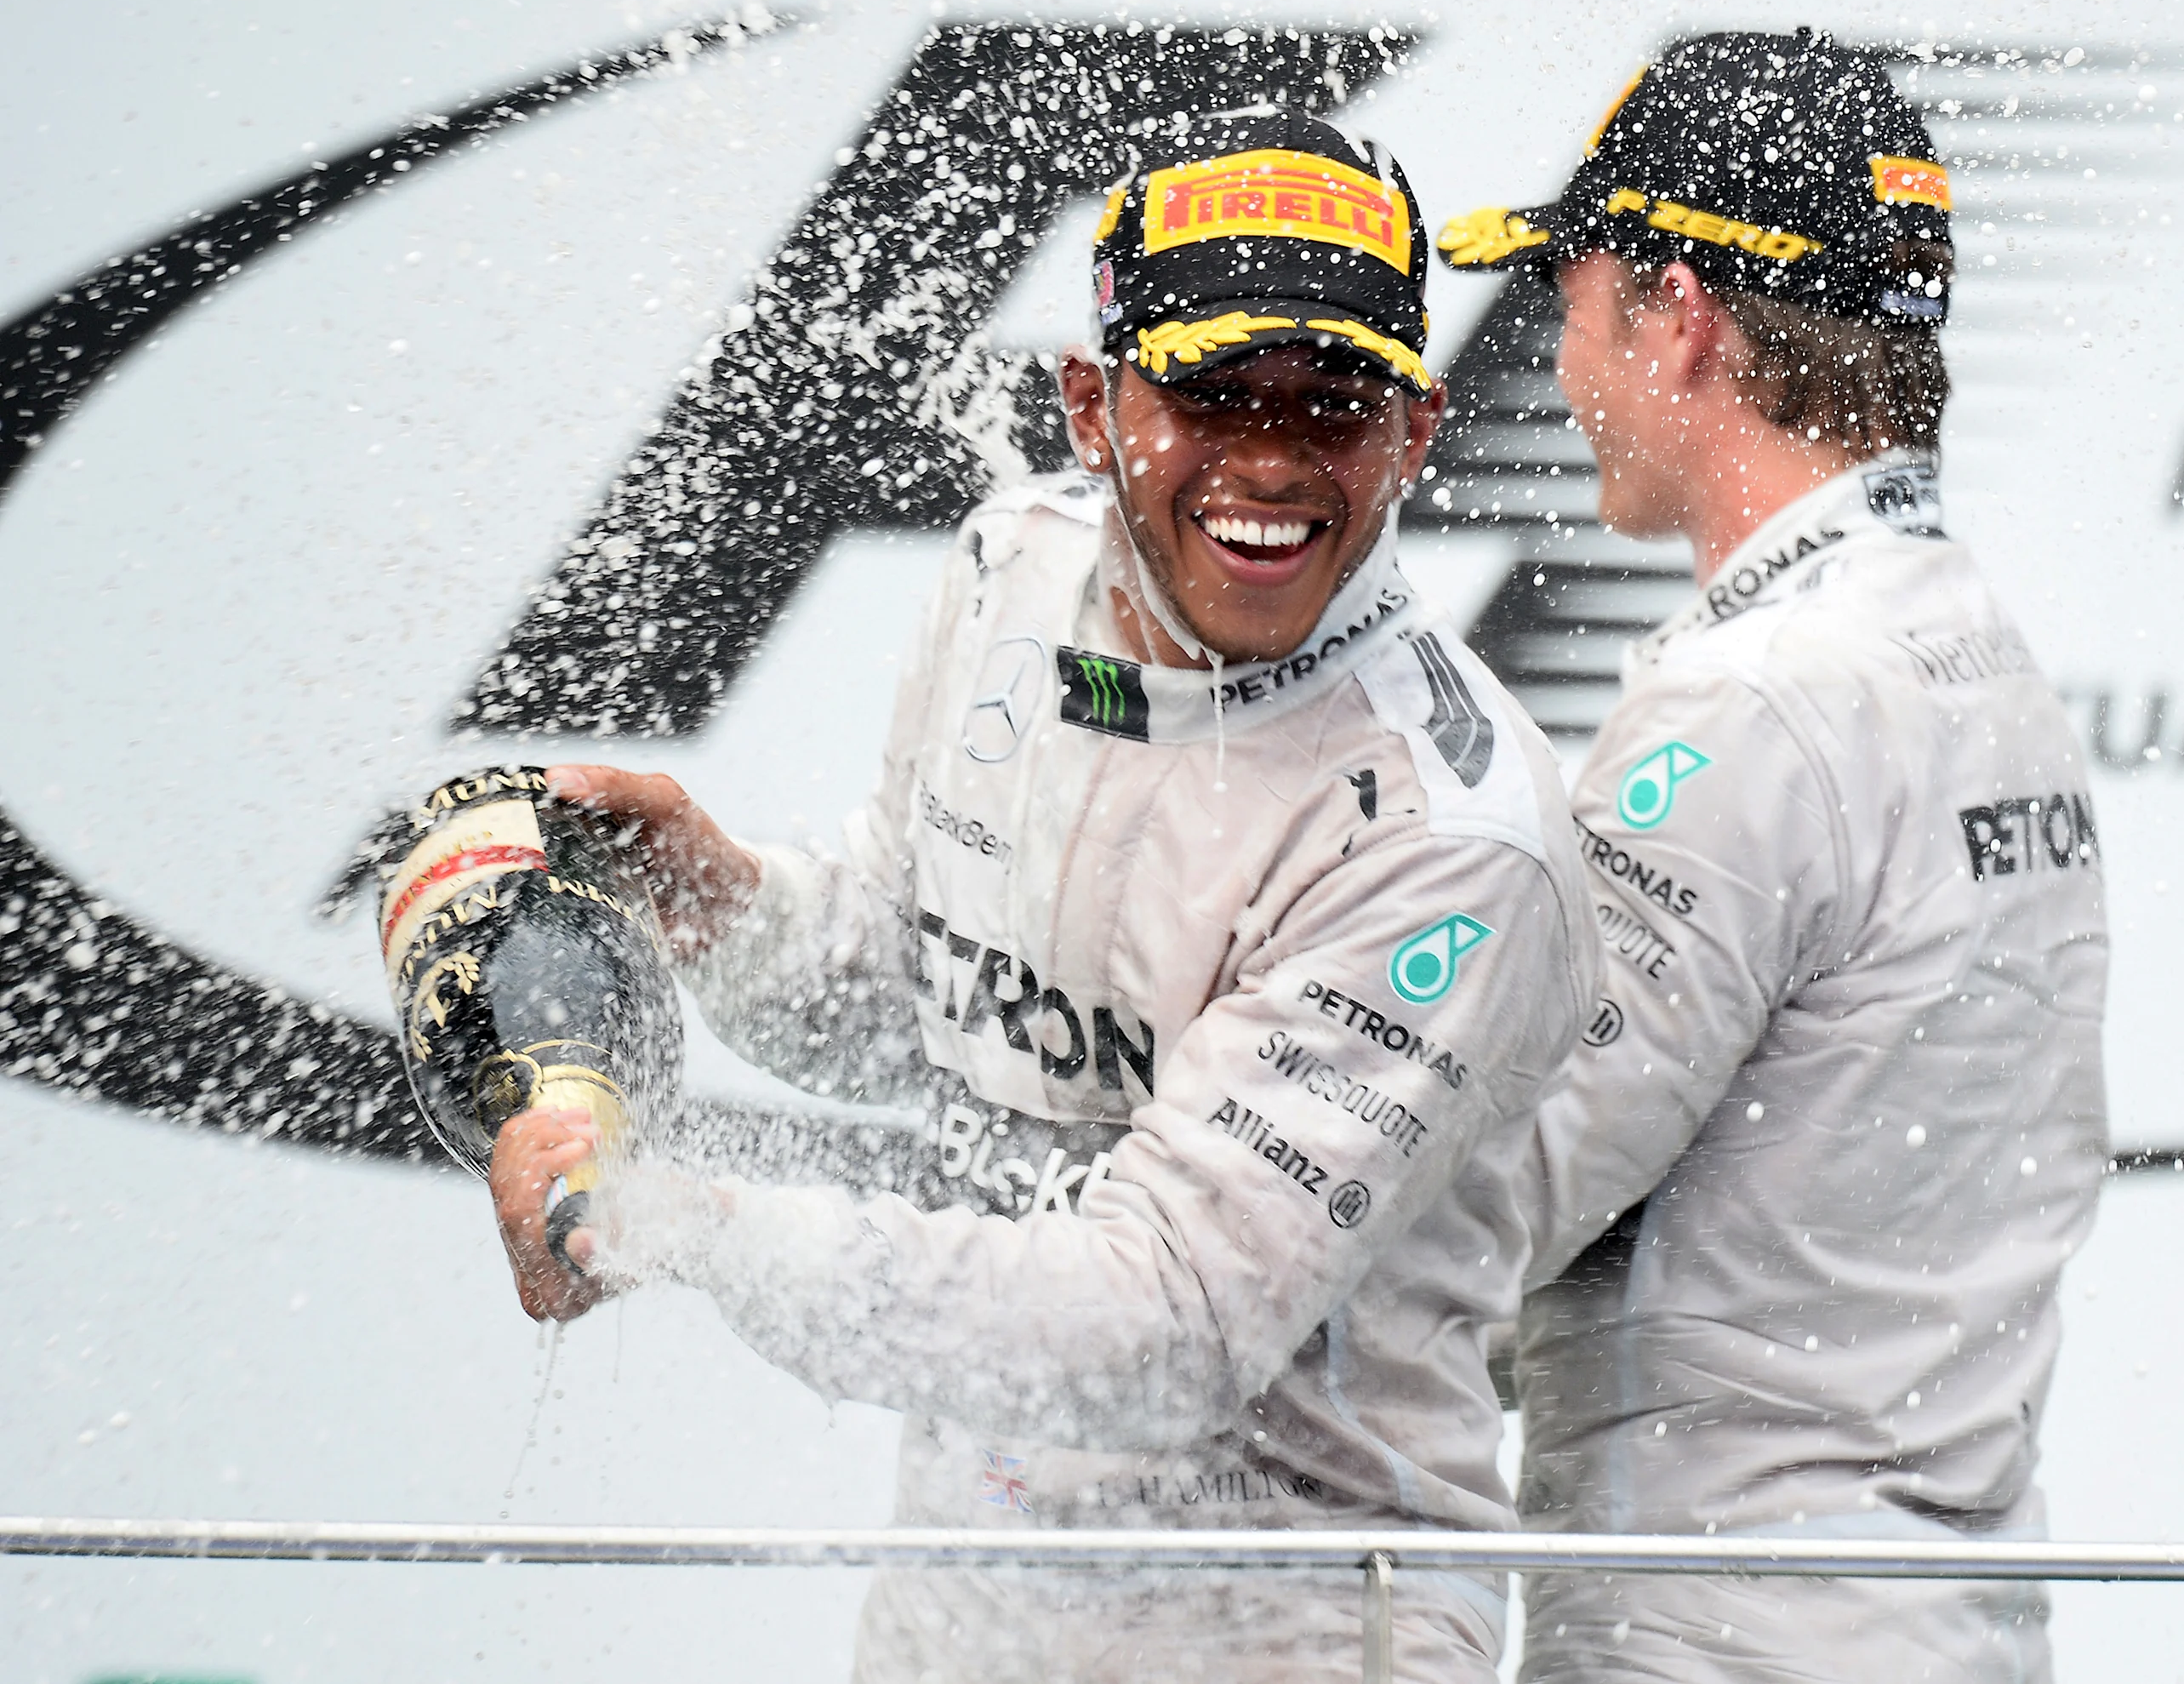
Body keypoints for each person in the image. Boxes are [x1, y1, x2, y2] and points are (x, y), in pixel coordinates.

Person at [489, 109, 1597, 1683]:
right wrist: (714, 901)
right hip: (965, 1596)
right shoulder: (1008, 574)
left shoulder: (1452, 834)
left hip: (1293, 1620)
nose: (1273, 458)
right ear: (1093, 402)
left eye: (1334, 403)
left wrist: (685, 1226)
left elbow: (1157, 1333)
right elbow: (905, 1001)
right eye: (1213, 391)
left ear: (1416, 431)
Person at [1439, 33, 2111, 1681]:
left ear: (1676, 316)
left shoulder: (1757, 700)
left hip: (1720, 1632)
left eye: (1570, 301)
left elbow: (1489, 1193)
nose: (1556, 362)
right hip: (1934, 1618)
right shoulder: (1978, 655)